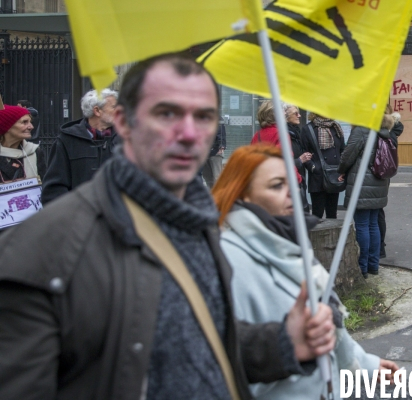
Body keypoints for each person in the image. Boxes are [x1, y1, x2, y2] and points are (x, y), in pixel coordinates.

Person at [0, 53, 336, 399]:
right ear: (124, 124)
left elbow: (196, 337)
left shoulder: (199, 221)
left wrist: (283, 343)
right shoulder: (39, 250)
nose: (189, 134)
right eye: (166, 114)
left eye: (204, 117)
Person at [212, 144, 399, 399]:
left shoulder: (287, 246)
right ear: (242, 195)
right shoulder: (227, 262)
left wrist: (364, 364)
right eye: (277, 185)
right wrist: (286, 346)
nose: (293, 192)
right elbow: (221, 366)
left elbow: (329, 327)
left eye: (293, 182)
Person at [338, 113, 395, 278]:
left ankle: (362, 267)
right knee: (373, 225)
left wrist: (341, 171)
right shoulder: (384, 131)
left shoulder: (362, 131)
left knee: (362, 225)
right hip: (379, 183)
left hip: (362, 184)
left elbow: (348, 155)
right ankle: (373, 265)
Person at [41, 88, 119, 204]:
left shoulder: (126, 139)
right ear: (97, 111)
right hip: (80, 218)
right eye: (114, 107)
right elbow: (54, 189)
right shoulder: (67, 140)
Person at [301, 113, 345, 219]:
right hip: (317, 176)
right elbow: (303, 151)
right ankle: (315, 236)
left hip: (334, 174)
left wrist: (342, 168)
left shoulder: (336, 127)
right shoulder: (308, 129)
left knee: (332, 213)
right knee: (317, 213)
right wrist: (313, 167)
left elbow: (342, 150)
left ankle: (333, 236)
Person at [379, 108, 404, 259]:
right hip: (383, 176)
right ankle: (380, 246)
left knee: (370, 216)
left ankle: (377, 247)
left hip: (372, 177)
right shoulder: (392, 133)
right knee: (378, 212)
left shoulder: (378, 134)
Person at [0, 104, 46, 182]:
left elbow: (45, 186)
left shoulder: (35, 152)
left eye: (30, 122)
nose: (31, 127)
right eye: (24, 122)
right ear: (7, 126)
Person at [284, 103, 311, 213]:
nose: (299, 116)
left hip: (299, 176)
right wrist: (299, 161)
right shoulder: (283, 133)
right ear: (285, 115)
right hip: (290, 181)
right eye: (296, 113)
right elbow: (281, 162)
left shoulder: (295, 132)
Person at [202, 115, 227, 188]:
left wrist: (221, 145)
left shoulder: (216, 116)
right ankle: (212, 195)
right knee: (207, 177)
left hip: (216, 151)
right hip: (205, 151)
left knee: (217, 177)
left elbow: (221, 132)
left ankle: (219, 196)